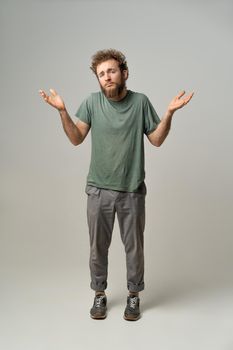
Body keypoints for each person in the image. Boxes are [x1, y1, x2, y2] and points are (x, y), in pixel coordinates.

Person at [39, 49, 194, 321]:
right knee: (97, 247)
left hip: (132, 190)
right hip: (98, 189)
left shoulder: (141, 102)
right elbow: (76, 138)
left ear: (124, 73)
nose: (107, 77)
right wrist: (62, 111)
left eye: (111, 71)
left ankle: (133, 296)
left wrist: (169, 113)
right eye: (101, 74)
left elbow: (156, 140)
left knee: (134, 247)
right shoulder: (92, 103)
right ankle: (99, 294)